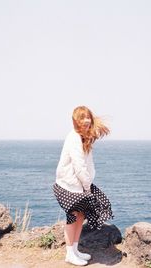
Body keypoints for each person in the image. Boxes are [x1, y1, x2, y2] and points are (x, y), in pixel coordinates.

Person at [53, 106, 113, 266]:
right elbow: (79, 166)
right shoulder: (74, 137)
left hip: (80, 184)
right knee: (72, 217)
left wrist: (87, 183)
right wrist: (87, 186)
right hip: (69, 185)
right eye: (82, 118)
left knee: (80, 216)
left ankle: (75, 249)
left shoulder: (83, 137)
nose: (86, 120)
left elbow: (87, 164)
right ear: (76, 121)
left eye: (88, 117)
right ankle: (69, 253)